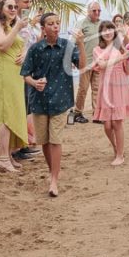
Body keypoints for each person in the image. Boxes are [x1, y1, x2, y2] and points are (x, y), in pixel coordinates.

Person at [21, 13, 86, 197]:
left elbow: (81, 66)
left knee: (55, 140)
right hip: (39, 101)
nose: (55, 26)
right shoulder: (35, 49)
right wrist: (34, 83)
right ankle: (53, 172)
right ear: (43, 28)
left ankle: (54, 180)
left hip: (60, 100)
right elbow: (25, 74)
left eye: (58, 23)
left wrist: (81, 44)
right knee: (44, 141)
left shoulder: (67, 46)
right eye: (51, 24)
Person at [0, 0, 29, 173]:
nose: (13, 9)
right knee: (5, 113)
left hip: (14, 73)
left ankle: (9, 154)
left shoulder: (10, 26)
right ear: (0, 8)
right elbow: (2, 45)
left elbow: (20, 45)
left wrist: (25, 53)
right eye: (9, 7)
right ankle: (2, 157)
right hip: (3, 72)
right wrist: (18, 27)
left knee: (13, 111)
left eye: (15, 7)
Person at [93, 20, 129, 166]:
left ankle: (120, 155)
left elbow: (128, 71)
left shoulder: (120, 48)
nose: (108, 32)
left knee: (117, 122)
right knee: (107, 125)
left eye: (110, 29)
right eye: (105, 30)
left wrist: (127, 58)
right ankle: (116, 147)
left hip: (119, 85)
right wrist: (121, 57)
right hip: (106, 87)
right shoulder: (97, 49)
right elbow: (103, 65)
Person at [12, 0, 41, 161]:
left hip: (28, 69)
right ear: (16, 2)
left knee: (27, 106)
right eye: (26, 2)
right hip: (17, 70)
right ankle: (18, 147)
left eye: (30, 2)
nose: (29, 5)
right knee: (21, 106)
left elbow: (32, 43)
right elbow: (21, 43)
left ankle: (24, 142)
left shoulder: (24, 21)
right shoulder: (14, 22)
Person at [74, 1, 101, 124]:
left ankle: (97, 114)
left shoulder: (101, 24)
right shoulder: (81, 23)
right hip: (85, 62)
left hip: (98, 62)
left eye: (98, 10)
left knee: (97, 89)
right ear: (88, 11)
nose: (96, 13)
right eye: (94, 10)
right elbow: (73, 42)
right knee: (83, 89)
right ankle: (77, 113)